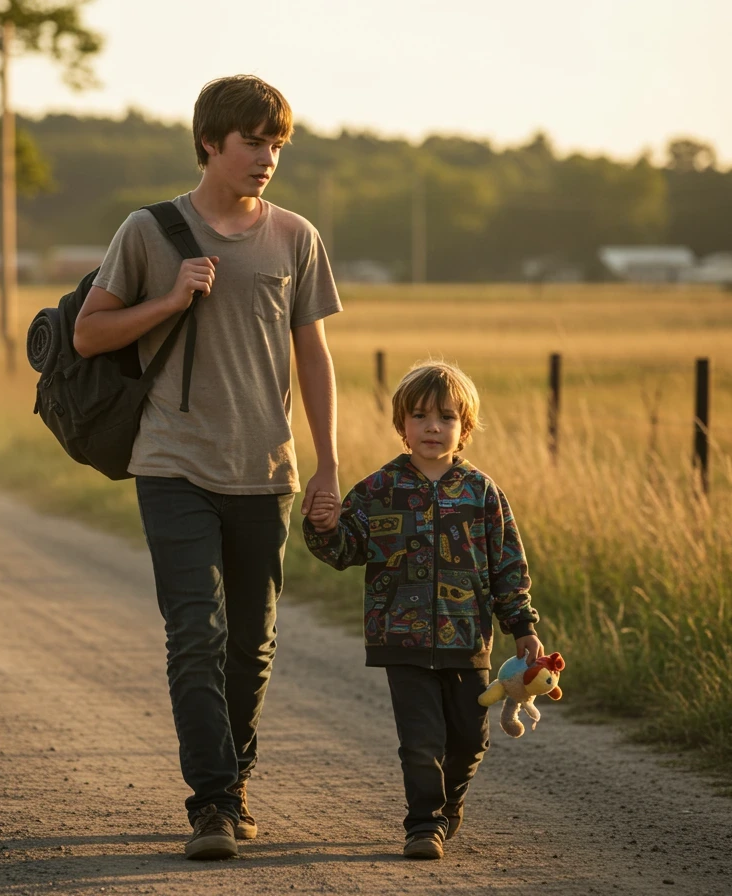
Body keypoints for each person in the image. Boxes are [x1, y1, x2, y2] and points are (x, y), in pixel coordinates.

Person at [72, 75, 342, 860]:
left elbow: (314, 355)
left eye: (277, 145)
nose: (267, 158)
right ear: (210, 143)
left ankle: (234, 780)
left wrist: (327, 464)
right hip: (173, 464)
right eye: (253, 141)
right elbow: (90, 335)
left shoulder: (296, 236)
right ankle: (214, 804)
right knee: (196, 632)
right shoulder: (149, 232)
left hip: (266, 469)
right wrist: (169, 302)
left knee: (250, 642)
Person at [303, 361, 542, 860]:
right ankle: (423, 825)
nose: (433, 426)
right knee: (419, 740)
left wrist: (521, 626)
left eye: (447, 417)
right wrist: (324, 525)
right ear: (401, 425)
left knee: (469, 742)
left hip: (466, 640)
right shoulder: (378, 489)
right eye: (420, 416)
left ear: (465, 428)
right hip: (400, 638)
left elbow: (507, 565)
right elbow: (344, 550)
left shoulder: (482, 494)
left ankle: (449, 802)